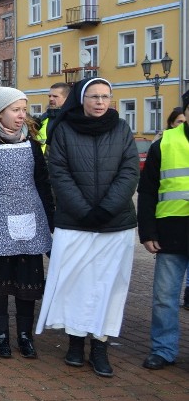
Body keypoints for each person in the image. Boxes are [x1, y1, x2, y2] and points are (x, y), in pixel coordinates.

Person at [36, 78, 139, 378]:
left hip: (115, 223)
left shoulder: (122, 129)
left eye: (105, 96)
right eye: (94, 96)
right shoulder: (64, 130)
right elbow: (59, 173)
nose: (100, 102)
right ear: (82, 99)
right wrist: (84, 211)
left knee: (108, 287)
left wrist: (106, 208)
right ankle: (75, 341)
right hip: (75, 222)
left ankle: (100, 346)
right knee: (75, 283)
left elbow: (129, 171)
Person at [0, 87, 54, 359]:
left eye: (23, 110)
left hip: (30, 222)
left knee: (27, 286)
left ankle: (25, 335)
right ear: (0, 112)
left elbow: (43, 183)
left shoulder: (33, 143)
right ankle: (1, 334)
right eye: (15, 110)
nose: (21, 115)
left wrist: (51, 221)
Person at [138, 96, 188, 370]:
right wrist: (147, 231)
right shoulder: (165, 143)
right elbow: (147, 191)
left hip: (173, 230)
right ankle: (164, 349)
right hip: (172, 232)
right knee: (164, 298)